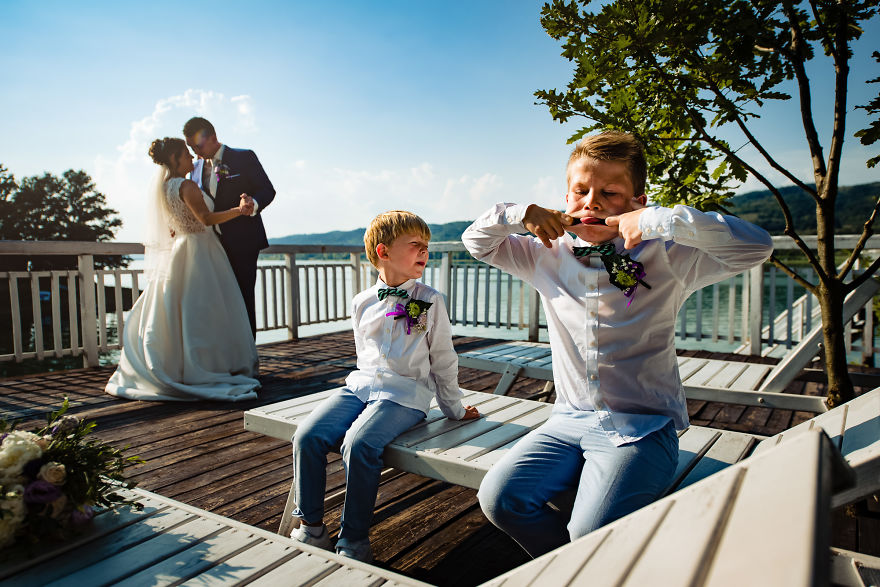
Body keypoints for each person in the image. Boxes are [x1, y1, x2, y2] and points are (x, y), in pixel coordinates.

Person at [463, 131, 773, 558]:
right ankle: (569, 572)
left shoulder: (669, 255)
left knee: (590, 531)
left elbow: (757, 246)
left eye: (609, 193)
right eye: (580, 191)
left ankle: (582, 568)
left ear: (637, 199)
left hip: (642, 428)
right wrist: (521, 214)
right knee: (499, 499)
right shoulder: (542, 253)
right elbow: (475, 242)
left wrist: (655, 221)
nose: (591, 202)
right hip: (566, 421)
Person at [289, 210, 481, 562]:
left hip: (405, 394)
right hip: (360, 387)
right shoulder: (362, 301)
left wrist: (453, 408)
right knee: (307, 436)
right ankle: (312, 527)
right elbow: (365, 356)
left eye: (427, 246)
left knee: (358, 443)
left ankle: (354, 540)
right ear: (383, 251)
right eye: (416, 245)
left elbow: (443, 358)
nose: (425, 252)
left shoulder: (429, 299)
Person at [105, 138, 260, 402]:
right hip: (200, 249)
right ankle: (207, 365)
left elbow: (172, 225)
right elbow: (206, 219)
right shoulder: (187, 185)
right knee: (205, 310)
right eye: (185, 155)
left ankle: (182, 364)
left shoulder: (164, 188)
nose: (191, 158)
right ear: (175, 160)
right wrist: (239, 210)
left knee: (182, 308)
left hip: (180, 249)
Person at [183, 117, 275, 338]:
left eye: (198, 146)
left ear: (212, 137)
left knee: (243, 300)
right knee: (214, 302)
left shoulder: (243, 157)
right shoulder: (193, 169)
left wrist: (253, 203)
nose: (195, 152)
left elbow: (267, 190)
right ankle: (223, 356)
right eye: (190, 147)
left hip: (242, 242)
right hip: (208, 246)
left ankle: (247, 358)